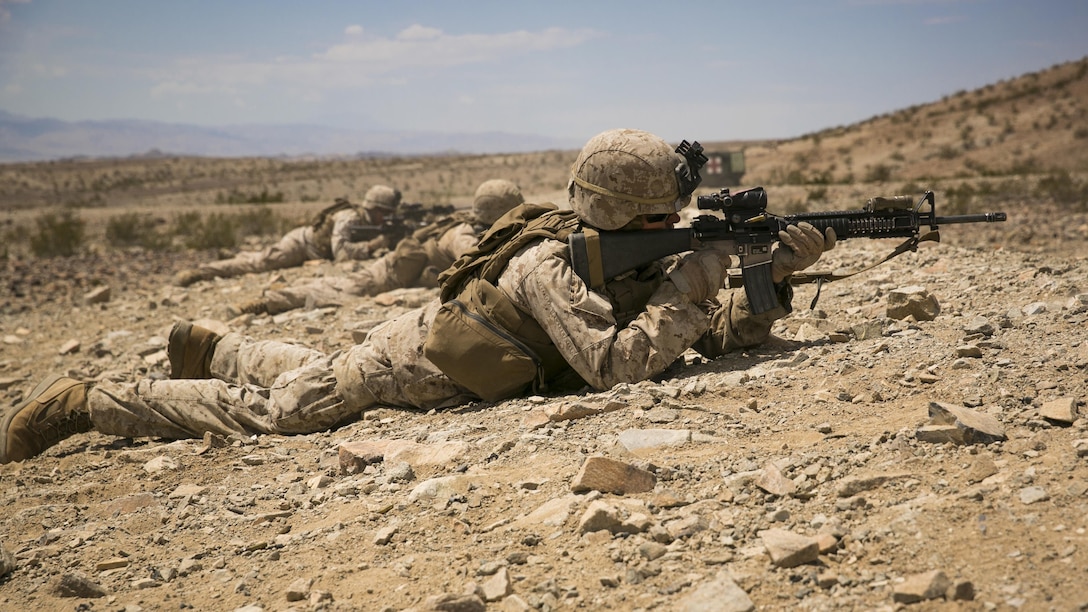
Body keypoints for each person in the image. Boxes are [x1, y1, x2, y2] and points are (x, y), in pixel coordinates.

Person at [0, 129, 835, 464]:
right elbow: (619, 366)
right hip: (408, 367)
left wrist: (769, 283)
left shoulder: (625, 253)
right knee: (281, 411)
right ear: (627, 212)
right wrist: (699, 277)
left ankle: (210, 345)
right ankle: (95, 400)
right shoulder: (549, 263)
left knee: (313, 367)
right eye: (664, 216)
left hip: (422, 349)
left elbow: (697, 339)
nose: (678, 223)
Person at [227, 179, 526, 317]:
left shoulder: (472, 227)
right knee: (337, 289)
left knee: (340, 287)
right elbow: (476, 265)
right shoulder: (464, 234)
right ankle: (269, 301)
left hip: (403, 271)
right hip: (391, 272)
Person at [172, 185, 402, 287]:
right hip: (301, 245)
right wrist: (373, 246)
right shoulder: (349, 217)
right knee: (260, 263)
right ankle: (201, 272)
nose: (388, 219)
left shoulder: (369, 221)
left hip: (312, 251)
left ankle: (238, 255)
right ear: (376, 209)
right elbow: (341, 254)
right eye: (387, 214)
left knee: (259, 257)